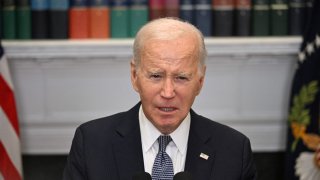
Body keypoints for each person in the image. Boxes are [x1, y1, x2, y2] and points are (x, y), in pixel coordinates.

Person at [63, 17, 257, 180]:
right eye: (156, 76)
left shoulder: (233, 150)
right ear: (134, 76)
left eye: (181, 77)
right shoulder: (91, 143)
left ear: (200, 81)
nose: (167, 92)